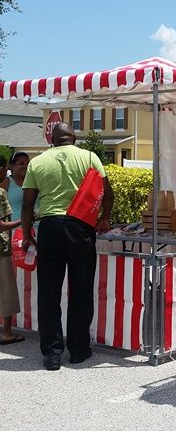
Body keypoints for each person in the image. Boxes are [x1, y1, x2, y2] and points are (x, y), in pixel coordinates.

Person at [21, 123, 114, 371]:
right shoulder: (90, 157)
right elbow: (107, 194)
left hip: (50, 228)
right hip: (80, 227)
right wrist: (104, 218)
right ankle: (79, 350)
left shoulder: (38, 162)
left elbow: (28, 202)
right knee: (81, 289)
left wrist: (28, 233)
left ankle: (51, 354)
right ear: (74, 138)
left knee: (49, 293)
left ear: (51, 138)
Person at [0, 155, 26, 345]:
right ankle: (7, 333)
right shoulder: (1, 191)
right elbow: (1, 225)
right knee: (7, 289)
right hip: (3, 247)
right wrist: (24, 221)